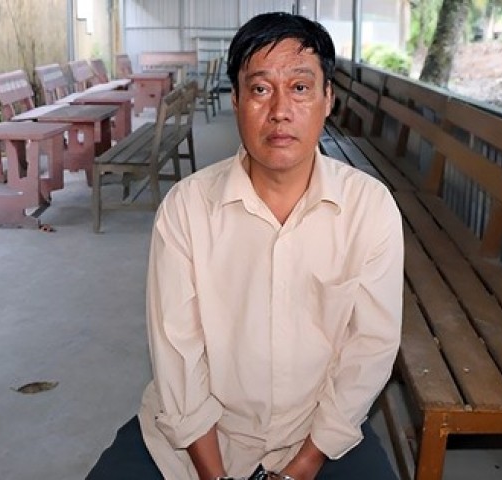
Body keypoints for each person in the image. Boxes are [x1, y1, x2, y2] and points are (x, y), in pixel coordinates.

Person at [87, 11, 403, 480]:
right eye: (259, 89)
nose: (280, 110)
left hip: (315, 432)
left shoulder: (369, 209)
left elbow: (370, 349)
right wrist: (215, 476)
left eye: (300, 87)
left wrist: (301, 468)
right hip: (193, 438)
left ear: (327, 100)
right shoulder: (186, 209)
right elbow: (178, 356)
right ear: (235, 100)